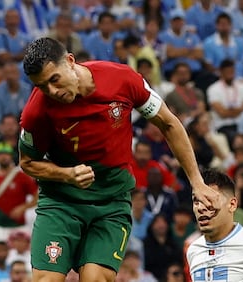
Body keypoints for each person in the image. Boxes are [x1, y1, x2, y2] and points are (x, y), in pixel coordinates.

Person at [19, 37, 218, 282]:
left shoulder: (121, 79)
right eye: (42, 86)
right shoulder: (36, 111)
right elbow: (27, 162)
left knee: (95, 279)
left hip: (110, 203)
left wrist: (197, 183)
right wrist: (66, 174)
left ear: (70, 61)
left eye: (54, 80)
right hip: (62, 203)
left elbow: (168, 123)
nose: (52, 91)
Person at [187, 169, 243, 281]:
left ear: (232, 205)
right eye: (196, 200)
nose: (201, 208)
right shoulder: (193, 250)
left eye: (209, 199)